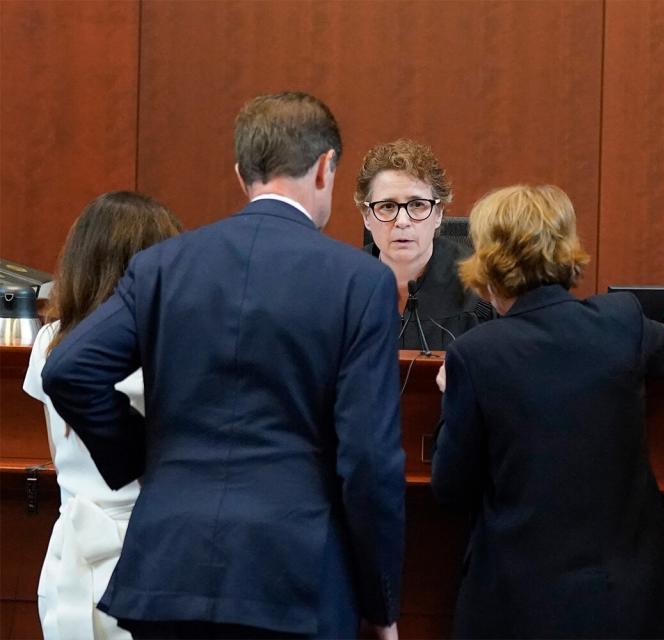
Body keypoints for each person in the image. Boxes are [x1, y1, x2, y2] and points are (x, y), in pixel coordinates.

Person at [41, 92, 406, 640]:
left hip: (167, 571)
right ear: (327, 166)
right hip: (294, 577)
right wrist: (381, 606)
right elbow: (369, 460)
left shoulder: (163, 265)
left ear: (241, 174)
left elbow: (68, 368)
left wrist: (148, 457)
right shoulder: (359, 281)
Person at [431, 184, 664, 639]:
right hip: (623, 604)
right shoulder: (620, 321)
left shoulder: (476, 356)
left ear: (486, 259)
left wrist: (453, 393)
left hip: (517, 607)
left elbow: (451, 486)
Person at [23, 191, 181, 640]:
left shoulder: (50, 341)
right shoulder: (167, 347)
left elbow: (57, 451)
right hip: (149, 563)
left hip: (66, 560)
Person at [355, 139, 492, 350]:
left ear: (438, 214)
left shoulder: (480, 289)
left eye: (417, 205)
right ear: (367, 216)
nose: (402, 221)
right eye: (387, 206)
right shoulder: (344, 287)